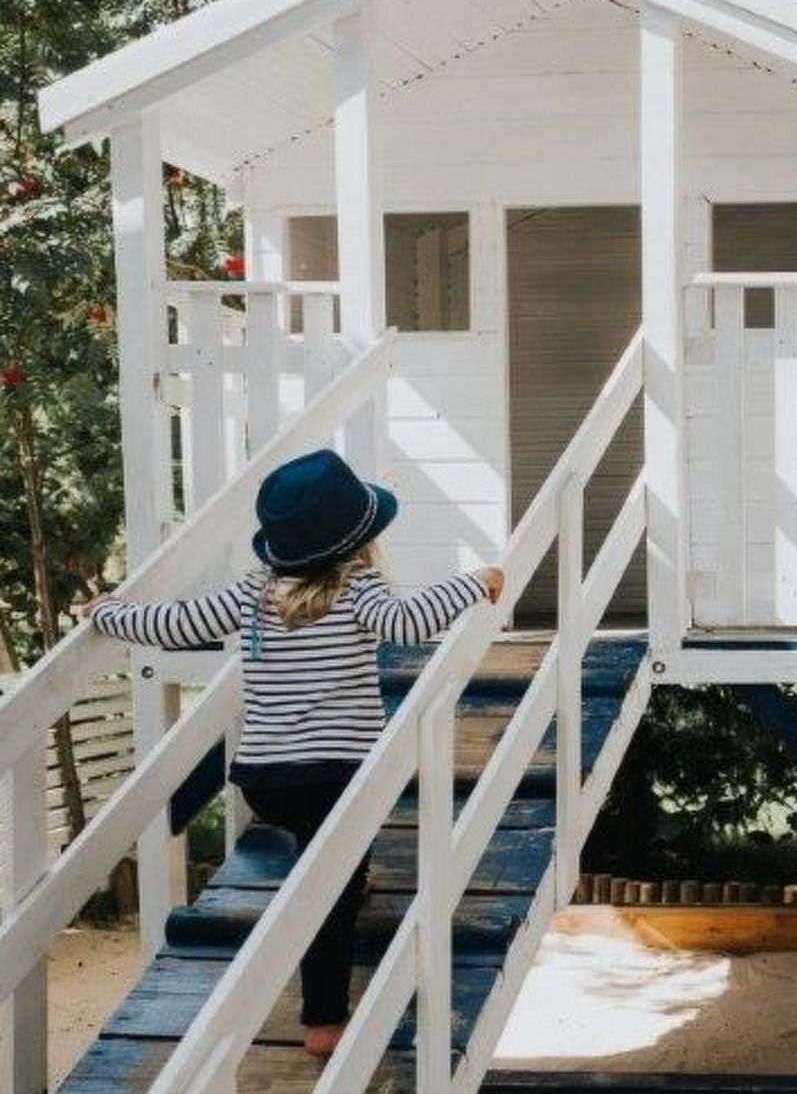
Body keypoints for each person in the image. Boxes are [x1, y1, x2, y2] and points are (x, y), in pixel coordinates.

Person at [87, 448, 505, 1059]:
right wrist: (476, 582)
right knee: (329, 895)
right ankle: (323, 1021)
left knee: (327, 855)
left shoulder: (252, 592)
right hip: (338, 774)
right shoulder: (359, 590)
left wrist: (112, 613)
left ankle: (337, 876)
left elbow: (175, 623)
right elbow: (412, 621)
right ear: (358, 540)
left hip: (267, 777)